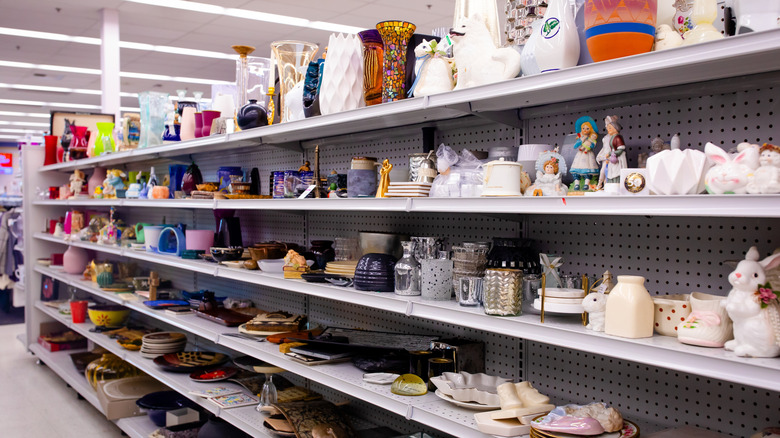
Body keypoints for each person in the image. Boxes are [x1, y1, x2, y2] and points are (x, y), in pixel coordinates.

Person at [597, 115, 627, 189]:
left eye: (610, 127)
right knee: (608, 171)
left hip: (616, 158)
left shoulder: (618, 137)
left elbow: (620, 149)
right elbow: (604, 148)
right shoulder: (607, 137)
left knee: (616, 172)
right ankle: (604, 184)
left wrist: (610, 154)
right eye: (607, 127)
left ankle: (609, 185)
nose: (607, 129)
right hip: (611, 158)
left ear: (615, 128)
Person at [570, 116, 600, 191]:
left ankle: (586, 184)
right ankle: (577, 184)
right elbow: (575, 146)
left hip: (588, 154)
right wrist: (581, 140)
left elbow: (593, 145)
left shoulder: (592, 138)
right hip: (580, 154)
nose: (585, 130)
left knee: (588, 170)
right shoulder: (581, 138)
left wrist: (590, 143)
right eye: (583, 128)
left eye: (587, 128)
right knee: (576, 170)